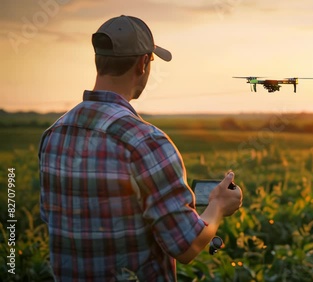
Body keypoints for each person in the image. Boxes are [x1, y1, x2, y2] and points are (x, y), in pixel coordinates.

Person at [38, 15, 243, 281]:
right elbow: (186, 245)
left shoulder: (54, 133)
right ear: (143, 62)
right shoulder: (146, 142)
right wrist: (217, 205)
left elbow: (52, 220)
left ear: (98, 61)